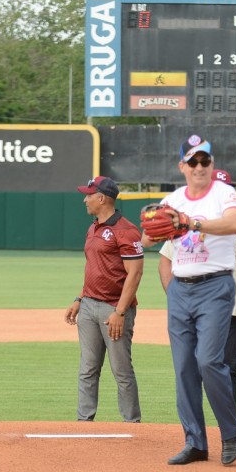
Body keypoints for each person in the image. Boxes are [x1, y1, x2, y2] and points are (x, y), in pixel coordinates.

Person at [141, 135, 236, 466]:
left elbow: (234, 223)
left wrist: (191, 222)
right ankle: (195, 442)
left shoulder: (223, 193)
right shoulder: (172, 199)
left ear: (212, 164)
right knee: (184, 367)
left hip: (215, 286)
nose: (200, 166)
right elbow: (147, 238)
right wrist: (156, 226)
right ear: (182, 166)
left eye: (205, 160)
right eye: (193, 161)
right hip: (181, 289)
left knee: (209, 361)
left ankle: (230, 433)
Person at [158, 169, 236, 405]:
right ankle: (197, 421)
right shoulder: (185, 219)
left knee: (229, 368)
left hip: (231, 307)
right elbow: (165, 260)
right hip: (191, 306)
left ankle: (228, 421)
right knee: (192, 368)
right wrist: (174, 295)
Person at [65, 176, 144, 423]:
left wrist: (120, 312)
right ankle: (84, 422)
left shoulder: (126, 230)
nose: (85, 200)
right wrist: (80, 298)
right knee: (87, 369)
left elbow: (135, 273)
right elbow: (94, 268)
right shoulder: (93, 227)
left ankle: (133, 424)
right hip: (89, 306)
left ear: (102, 198)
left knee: (121, 371)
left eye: (89, 195)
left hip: (113, 309)